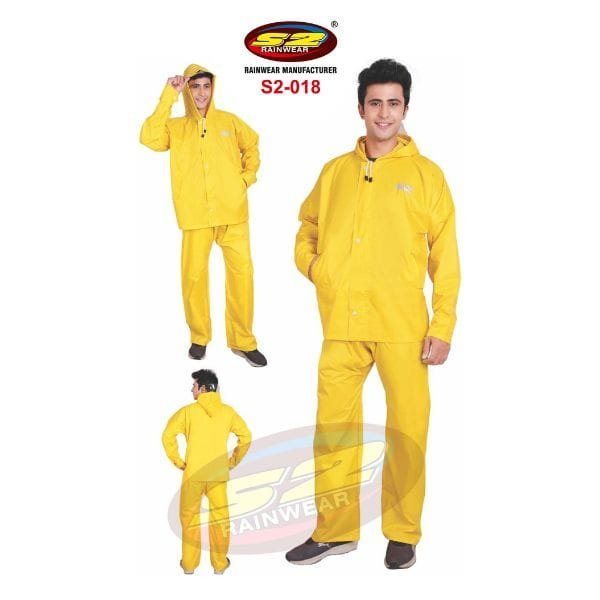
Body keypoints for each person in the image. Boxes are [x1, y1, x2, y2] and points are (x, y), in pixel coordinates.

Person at [286, 59, 461, 569]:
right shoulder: (334, 171)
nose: (384, 113)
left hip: (403, 327)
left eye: (393, 103)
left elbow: (446, 259)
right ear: (360, 108)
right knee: (333, 433)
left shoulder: (427, 176)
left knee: (407, 433)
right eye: (375, 103)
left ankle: (402, 533)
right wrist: (316, 268)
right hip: (341, 324)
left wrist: (443, 326)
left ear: (406, 108)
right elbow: (307, 226)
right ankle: (334, 531)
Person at [140, 63, 267, 367]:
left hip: (233, 213)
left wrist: (245, 179)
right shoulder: (176, 128)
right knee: (194, 277)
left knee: (242, 277)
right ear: (187, 90)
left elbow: (252, 145)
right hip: (195, 215)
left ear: (213, 88)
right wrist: (168, 95)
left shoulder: (229, 121)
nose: (201, 93)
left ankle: (243, 341)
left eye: (206, 86)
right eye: (194, 86)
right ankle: (199, 337)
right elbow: (148, 137)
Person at [162, 369, 252, 575]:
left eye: (194, 385)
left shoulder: (187, 412)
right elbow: (246, 437)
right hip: (217, 474)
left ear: (203, 388)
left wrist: (178, 461)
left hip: (193, 473)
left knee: (190, 518)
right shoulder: (228, 412)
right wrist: (232, 462)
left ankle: (189, 565)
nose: (191, 389)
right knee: (220, 520)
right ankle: (219, 565)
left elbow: (167, 435)